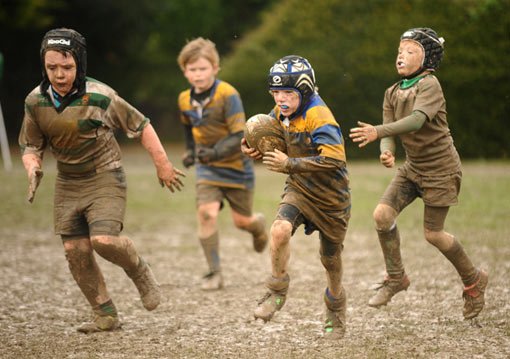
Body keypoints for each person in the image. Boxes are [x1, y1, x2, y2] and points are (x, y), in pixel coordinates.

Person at [19, 28, 185, 333]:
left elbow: (141, 125)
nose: (59, 75)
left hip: (105, 175)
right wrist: (33, 168)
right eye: (52, 67)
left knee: (104, 241)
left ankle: (139, 270)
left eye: (67, 68)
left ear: (80, 64)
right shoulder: (35, 101)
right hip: (68, 182)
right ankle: (105, 313)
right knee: (76, 252)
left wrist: (163, 165)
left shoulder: (101, 96)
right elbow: (31, 145)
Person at [349, 28, 487, 320]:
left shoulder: (430, 85)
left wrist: (377, 132)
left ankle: (474, 280)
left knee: (433, 234)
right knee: (381, 216)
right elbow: (390, 128)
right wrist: (386, 150)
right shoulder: (392, 92)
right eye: (400, 50)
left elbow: (415, 121)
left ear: (428, 59)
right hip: (413, 168)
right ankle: (396, 277)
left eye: (410, 51)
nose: (401, 55)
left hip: (441, 169)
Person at [242, 55, 351, 339]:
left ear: (305, 90)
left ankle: (336, 308)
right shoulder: (281, 112)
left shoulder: (319, 115)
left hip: (332, 198)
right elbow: (274, 140)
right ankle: (277, 290)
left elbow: (336, 160)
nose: (281, 99)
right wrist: (254, 147)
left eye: (288, 93)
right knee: (279, 230)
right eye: (275, 93)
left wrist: (289, 164)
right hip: (300, 189)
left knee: (331, 260)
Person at [177, 37, 268, 291]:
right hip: (208, 167)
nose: (198, 74)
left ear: (215, 69)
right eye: (192, 69)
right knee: (206, 213)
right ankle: (214, 273)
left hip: (237, 166)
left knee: (242, 221)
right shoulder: (184, 99)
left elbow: (240, 134)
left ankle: (257, 226)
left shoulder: (228, 94)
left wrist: (214, 153)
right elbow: (188, 128)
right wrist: (190, 151)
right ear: (185, 71)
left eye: (203, 68)